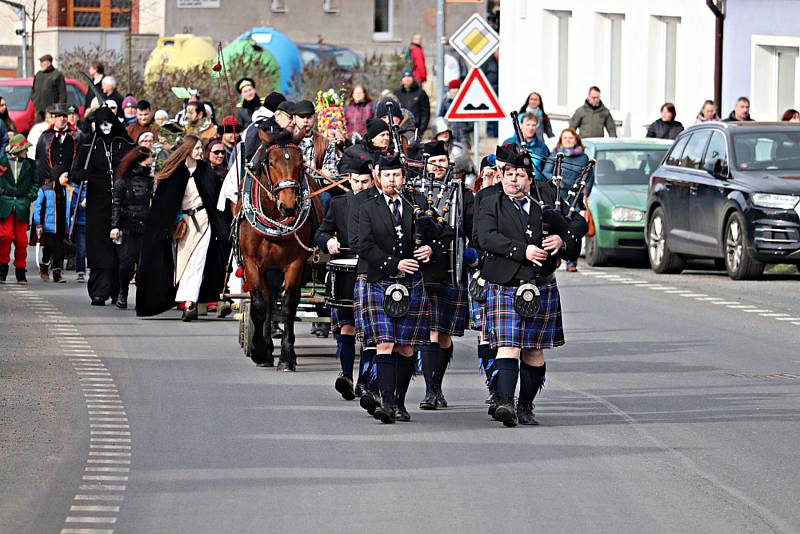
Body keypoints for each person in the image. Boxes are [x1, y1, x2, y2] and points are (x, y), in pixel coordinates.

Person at [475, 151, 570, 427]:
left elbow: (574, 229)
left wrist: (560, 241)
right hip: (505, 283)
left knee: (534, 351)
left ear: (529, 180)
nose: (513, 179)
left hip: (540, 285)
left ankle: (525, 405)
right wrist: (522, 250)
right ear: (502, 176)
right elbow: (486, 238)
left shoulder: (544, 207)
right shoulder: (490, 203)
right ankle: (505, 402)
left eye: (520, 175)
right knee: (508, 346)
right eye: (509, 174)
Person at [356, 154, 436, 424]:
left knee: (406, 347)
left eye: (397, 175)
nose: (392, 180)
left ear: (404, 177)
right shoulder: (367, 206)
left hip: (411, 282)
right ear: (379, 177)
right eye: (387, 176)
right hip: (379, 279)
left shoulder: (418, 203)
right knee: (385, 343)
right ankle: (386, 402)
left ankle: (399, 401)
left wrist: (430, 249)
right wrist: (394, 263)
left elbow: (440, 232)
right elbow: (363, 244)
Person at [136, 136, 229, 321]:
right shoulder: (174, 173)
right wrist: (167, 224)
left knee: (197, 262)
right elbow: (164, 203)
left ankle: (189, 304)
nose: (200, 152)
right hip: (183, 225)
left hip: (204, 222)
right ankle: (181, 298)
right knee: (183, 264)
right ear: (187, 149)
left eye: (201, 148)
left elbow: (217, 201)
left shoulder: (206, 172)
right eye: (196, 148)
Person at [314, 146, 374, 400]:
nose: (360, 186)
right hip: (346, 270)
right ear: (349, 180)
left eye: (365, 182)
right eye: (356, 181)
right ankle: (346, 375)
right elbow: (321, 232)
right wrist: (328, 241)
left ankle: (365, 381)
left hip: (372, 271)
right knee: (347, 327)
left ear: (373, 180)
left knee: (371, 332)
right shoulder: (339, 204)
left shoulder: (379, 204)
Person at [416, 140, 471, 411]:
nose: (437, 166)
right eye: (432, 161)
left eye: (441, 161)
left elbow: (469, 228)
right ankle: (430, 390)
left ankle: (436, 385)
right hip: (422, 269)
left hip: (451, 270)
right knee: (430, 332)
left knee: (445, 334)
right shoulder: (414, 191)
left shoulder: (463, 194)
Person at [72, 105, 135, 305]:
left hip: (122, 203)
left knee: (121, 250)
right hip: (97, 203)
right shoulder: (90, 144)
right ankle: (99, 290)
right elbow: (76, 170)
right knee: (99, 247)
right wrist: (83, 175)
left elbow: (136, 165)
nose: (105, 127)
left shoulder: (123, 142)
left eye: (108, 122)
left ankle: (118, 290)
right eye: (101, 123)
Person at [543, 128, 592, 272]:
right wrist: (556, 181)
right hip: (559, 195)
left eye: (571, 138)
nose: (568, 140)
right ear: (561, 140)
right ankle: (557, 254)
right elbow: (546, 171)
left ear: (576, 139)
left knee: (574, 227)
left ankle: (572, 261)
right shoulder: (556, 155)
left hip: (574, 197)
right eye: (565, 138)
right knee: (558, 224)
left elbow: (589, 176)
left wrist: (584, 190)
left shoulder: (583, 158)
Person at [110, 147, 154, 309]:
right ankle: (123, 291)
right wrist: (115, 226)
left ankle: (142, 296)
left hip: (146, 226)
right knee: (126, 263)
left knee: (144, 264)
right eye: (148, 159)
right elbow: (116, 205)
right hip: (127, 227)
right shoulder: (122, 182)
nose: (151, 162)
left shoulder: (151, 182)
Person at [0, 134, 37, 283]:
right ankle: (2, 267)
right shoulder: (1, 162)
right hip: (5, 204)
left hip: (22, 205)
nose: (26, 152)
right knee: (5, 237)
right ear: (16, 150)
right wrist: (2, 194)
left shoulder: (31, 164)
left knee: (22, 241)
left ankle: (20, 270)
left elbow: (35, 183)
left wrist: (29, 197)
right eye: (24, 149)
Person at [33, 166, 77, 282]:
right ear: (57, 176)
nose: (67, 179)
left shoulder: (68, 190)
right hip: (49, 226)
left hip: (62, 225)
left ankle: (57, 274)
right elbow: (38, 208)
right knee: (49, 248)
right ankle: (45, 265)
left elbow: (71, 207)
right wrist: (38, 224)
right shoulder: (45, 190)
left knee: (59, 250)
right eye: (65, 176)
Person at [35, 103, 81, 186]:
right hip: (51, 184)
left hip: (71, 183)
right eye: (59, 116)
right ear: (53, 118)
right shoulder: (45, 137)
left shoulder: (77, 136)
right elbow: (40, 162)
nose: (62, 119)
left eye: (64, 116)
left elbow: (80, 160)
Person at [503, 112, 550, 180]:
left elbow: (547, 168)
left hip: (536, 186)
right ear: (521, 125)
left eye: (533, 125)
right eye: (527, 125)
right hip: (514, 185)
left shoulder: (542, 146)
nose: (531, 128)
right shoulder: (509, 143)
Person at [394, 68, 430, 135]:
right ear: (401, 80)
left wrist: (421, 130)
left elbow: (425, 113)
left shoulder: (421, 93)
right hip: (400, 130)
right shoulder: (397, 94)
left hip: (415, 129)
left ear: (413, 78)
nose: (407, 79)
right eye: (404, 77)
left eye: (409, 76)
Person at [31, 54, 66, 122]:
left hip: (51, 110)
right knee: (39, 128)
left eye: (42, 63)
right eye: (40, 63)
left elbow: (62, 95)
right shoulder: (39, 74)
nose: (40, 65)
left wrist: (59, 110)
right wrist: (34, 99)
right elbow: (33, 89)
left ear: (49, 63)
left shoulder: (57, 75)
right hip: (38, 109)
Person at [437, 81, 472, 147]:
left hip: (463, 134)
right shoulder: (446, 101)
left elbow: (470, 116)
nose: (455, 90)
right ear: (450, 90)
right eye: (453, 88)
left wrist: (467, 128)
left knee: (464, 153)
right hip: (450, 133)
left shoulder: (465, 101)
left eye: (457, 88)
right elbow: (441, 117)